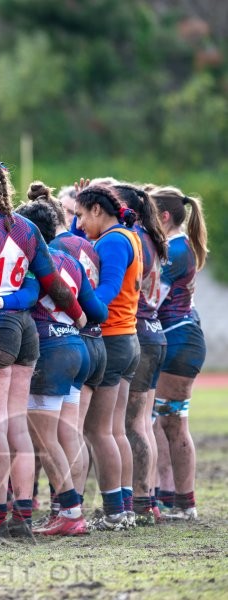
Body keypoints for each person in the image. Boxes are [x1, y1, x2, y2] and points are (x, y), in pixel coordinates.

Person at [0, 159, 85, 537]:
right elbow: (48, 283)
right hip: (27, 328)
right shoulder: (28, 228)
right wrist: (79, 317)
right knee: (16, 424)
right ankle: (23, 515)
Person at [15, 197, 107, 536]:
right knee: (69, 434)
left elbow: (23, 299)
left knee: (44, 438)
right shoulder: (69, 259)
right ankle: (71, 507)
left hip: (49, 351)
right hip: (77, 347)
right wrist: (77, 318)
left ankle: (69, 512)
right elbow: (98, 312)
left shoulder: (28, 259)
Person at [73, 183, 142, 531]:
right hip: (127, 338)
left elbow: (108, 289)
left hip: (113, 338)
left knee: (98, 431)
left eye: (82, 214)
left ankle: (115, 510)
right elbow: (80, 243)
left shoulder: (114, 240)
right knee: (115, 430)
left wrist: (81, 309)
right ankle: (124, 507)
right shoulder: (128, 235)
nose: (80, 223)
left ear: (98, 211)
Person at [151, 186, 208, 521]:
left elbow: (152, 299)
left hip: (178, 341)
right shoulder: (177, 246)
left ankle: (184, 503)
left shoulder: (174, 250)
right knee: (167, 421)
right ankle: (175, 498)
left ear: (165, 216)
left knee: (171, 422)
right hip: (180, 339)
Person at [114, 183, 169, 526]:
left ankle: (140, 499)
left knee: (133, 423)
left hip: (140, 333)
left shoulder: (129, 238)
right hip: (154, 332)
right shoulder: (149, 237)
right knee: (142, 422)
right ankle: (148, 499)